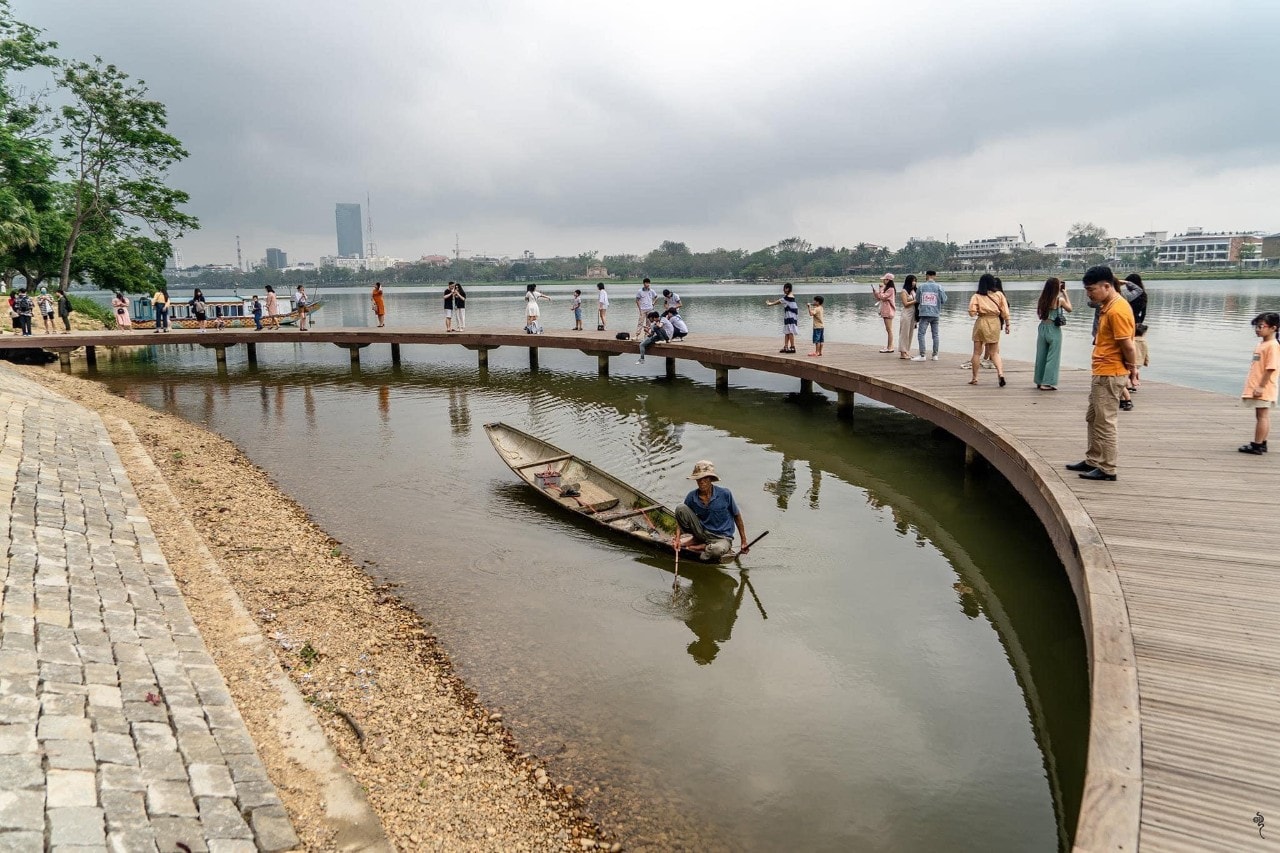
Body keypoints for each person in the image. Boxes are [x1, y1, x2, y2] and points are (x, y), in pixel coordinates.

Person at [1065, 266, 1138, 481]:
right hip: (1101, 370)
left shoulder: (1117, 310)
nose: (1089, 294)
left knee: (1106, 422)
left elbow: (1128, 345)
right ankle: (1093, 459)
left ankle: (1108, 468)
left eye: (1091, 289)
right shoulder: (1107, 305)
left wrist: (1132, 370)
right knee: (1093, 417)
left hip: (1110, 372)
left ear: (1107, 286)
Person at [673, 460, 750, 563]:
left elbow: (737, 516)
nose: (702, 481)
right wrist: (677, 539)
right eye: (699, 479)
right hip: (702, 532)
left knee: (716, 551)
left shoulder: (725, 494)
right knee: (680, 508)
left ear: (710, 479)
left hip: (722, 538)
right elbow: (679, 518)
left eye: (705, 478)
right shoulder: (692, 496)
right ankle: (698, 541)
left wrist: (743, 541)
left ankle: (702, 547)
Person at [1239, 311, 1279, 455]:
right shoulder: (1263, 344)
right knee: (1262, 415)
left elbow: (1271, 368)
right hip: (1258, 386)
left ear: (1273, 328)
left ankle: (1257, 445)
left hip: (1264, 387)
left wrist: (1261, 386)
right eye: (1256, 326)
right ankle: (1262, 443)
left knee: (1262, 416)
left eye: (1261, 326)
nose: (1257, 329)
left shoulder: (1272, 346)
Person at [966, 273, 1010, 387]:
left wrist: (978, 311)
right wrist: (1007, 324)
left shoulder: (976, 296)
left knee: (976, 353)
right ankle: (1000, 373)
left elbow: (971, 312)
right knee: (994, 352)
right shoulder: (999, 295)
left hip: (981, 322)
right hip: (995, 322)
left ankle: (975, 378)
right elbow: (1005, 311)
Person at [1033, 277, 1072, 390]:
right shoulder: (1059, 300)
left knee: (1041, 355)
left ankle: (1039, 380)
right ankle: (1047, 382)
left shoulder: (1042, 299)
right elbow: (1070, 309)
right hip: (1054, 329)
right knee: (1053, 357)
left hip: (1042, 327)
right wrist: (1065, 294)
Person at [912, 270, 947, 361]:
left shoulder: (921, 287)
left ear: (926, 275)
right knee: (935, 335)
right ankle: (935, 355)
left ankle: (922, 355)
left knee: (921, 334)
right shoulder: (939, 287)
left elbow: (918, 299)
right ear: (935, 276)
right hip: (935, 314)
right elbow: (944, 300)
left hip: (924, 314)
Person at [765, 282, 799, 353]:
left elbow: (779, 301)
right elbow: (781, 300)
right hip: (789, 316)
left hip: (790, 316)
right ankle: (786, 346)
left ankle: (792, 347)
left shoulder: (788, 297)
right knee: (787, 331)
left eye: (784, 289)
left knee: (790, 331)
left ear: (787, 289)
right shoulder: (790, 296)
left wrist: (770, 304)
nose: (783, 290)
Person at [873, 274, 897, 352]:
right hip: (886, 311)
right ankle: (890, 346)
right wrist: (875, 291)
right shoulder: (886, 288)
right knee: (888, 329)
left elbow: (883, 297)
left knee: (889, 329)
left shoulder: (891, 289)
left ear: (888, 280)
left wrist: (880, 288)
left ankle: (890, 348)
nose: (883, 281)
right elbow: (879, 297)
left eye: (884, 279)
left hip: (888, 311)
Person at [897, 275, 918, 359]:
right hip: (906, 313)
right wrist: (915, 301)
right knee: (904, 333)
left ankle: (906, 351)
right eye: (913, 281)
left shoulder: (914, 291)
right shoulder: (904, 291)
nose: (914, 282)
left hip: (913, 314)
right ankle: (902, 352)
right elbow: (905, 304)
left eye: (915, 281)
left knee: (910, 333)